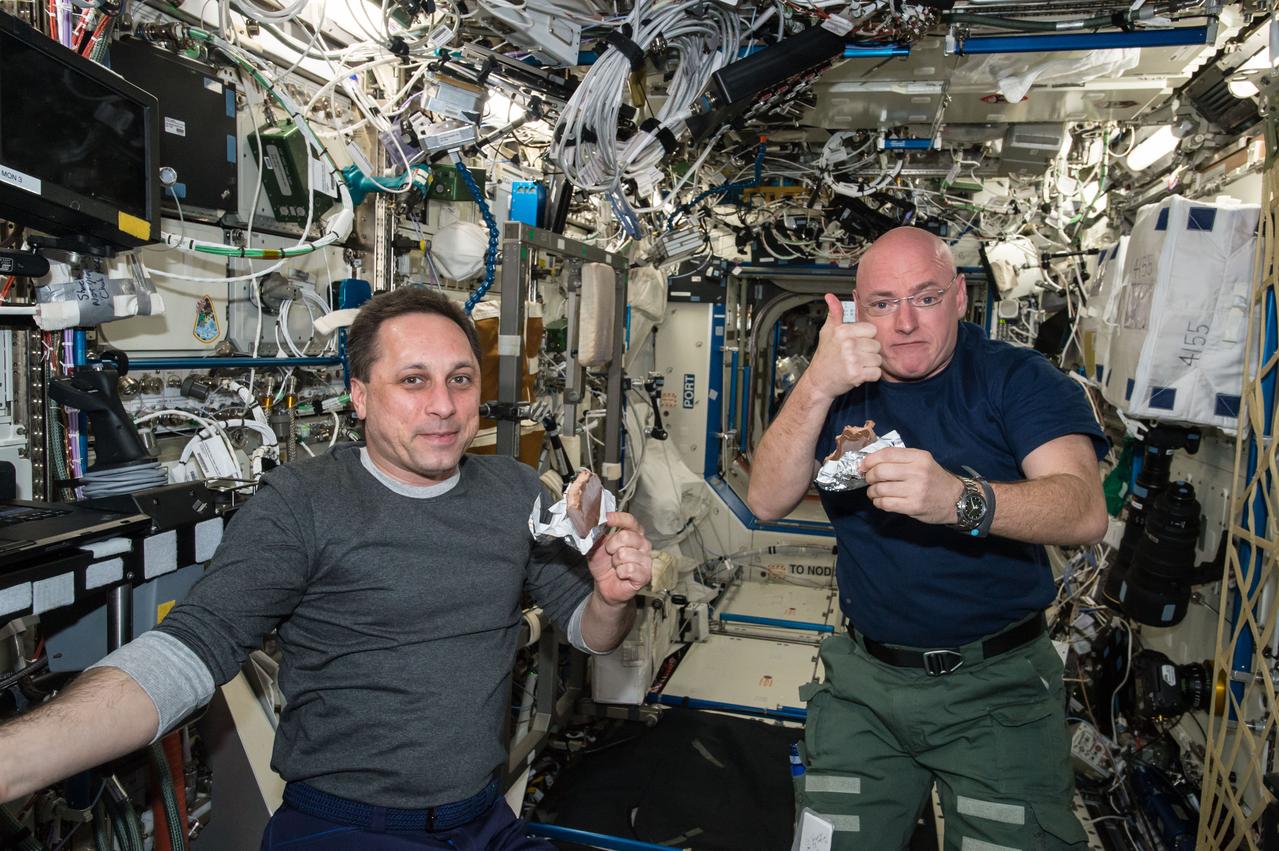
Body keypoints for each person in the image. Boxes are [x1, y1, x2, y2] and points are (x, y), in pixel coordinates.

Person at [0, 287, 653, 849]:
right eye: (413, 380)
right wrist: (15, 759)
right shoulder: (303, 503)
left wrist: (612, 598)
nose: (444, 405)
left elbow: (587, 629)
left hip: (482, 819)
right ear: (359, 396)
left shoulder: (515, 491)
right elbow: (191, 648)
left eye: (459, 378)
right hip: (347, 826)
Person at [748, 227, 1107, 850]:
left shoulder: (1017, 379)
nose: (906, 322)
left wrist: (960, 501)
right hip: (865, 684)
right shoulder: (836, 388)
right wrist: (817, 382)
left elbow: (1083, 509)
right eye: (883, 303)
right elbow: (765, 499)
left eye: (926, 297)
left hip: (997, 689)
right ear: (857, 311)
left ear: (962, 298)